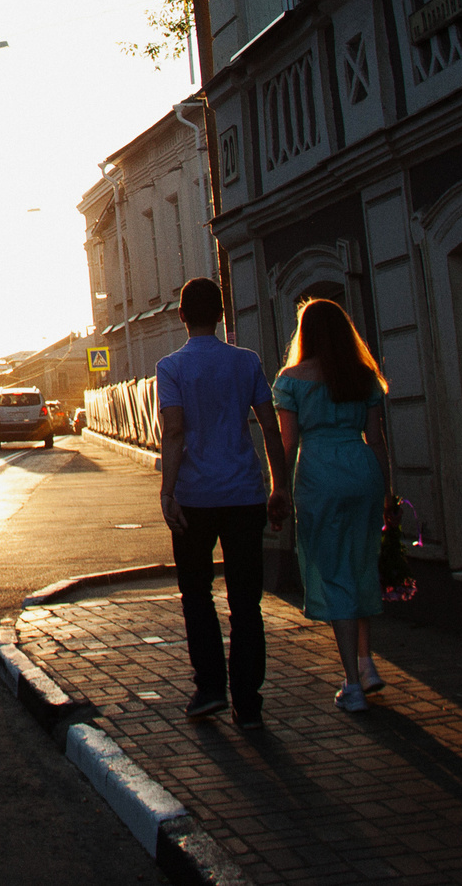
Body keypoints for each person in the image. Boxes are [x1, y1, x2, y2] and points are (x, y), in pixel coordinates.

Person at [156, 276, 291, 726]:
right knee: (246, 601)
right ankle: (248, 703)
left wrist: (168, 491)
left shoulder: (171, 368)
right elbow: (269, 427)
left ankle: (210, 688)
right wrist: (280, 486)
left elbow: (174, 431)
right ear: (221, 314)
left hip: (194, 498)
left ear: (181, 316)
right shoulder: (247, 361)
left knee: (197, 594)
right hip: (244, 495)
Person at [272, 298, 395, 713]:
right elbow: (376, 440)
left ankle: (352, 684)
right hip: (362, 471)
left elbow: (289, 443)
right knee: (361, 563)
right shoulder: (363, 377)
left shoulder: (291, 380)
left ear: (304, 334)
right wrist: (387, 492)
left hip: (319, 476)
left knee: (335, 572)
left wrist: (279, 489)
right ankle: (367, 663)